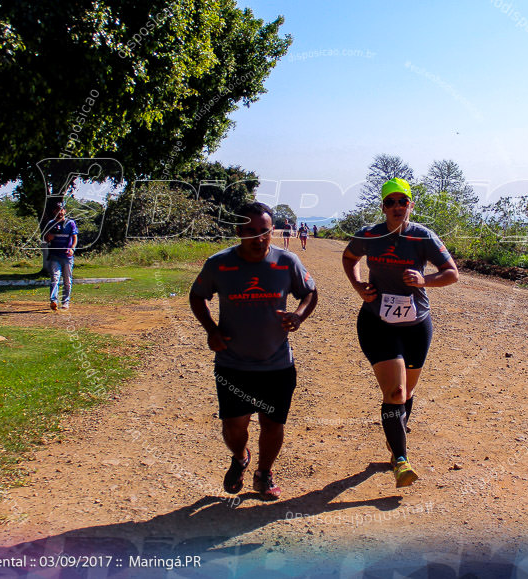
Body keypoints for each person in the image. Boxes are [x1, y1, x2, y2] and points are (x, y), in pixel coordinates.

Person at [189, 202, 318, 500]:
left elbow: (310, 292)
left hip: (277, 365)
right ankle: (239, 457)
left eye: (264, 231)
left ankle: (264, 473)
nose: (259, 238)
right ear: (238, 232)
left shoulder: (287, 261)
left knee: (272, 423)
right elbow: (198, 297)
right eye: (251, 232)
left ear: (272, 231)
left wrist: (298, 315)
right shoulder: (218, 264)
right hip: (233, 364)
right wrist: (212, 330)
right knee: (235, 426)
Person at [341, 178, 459, 487]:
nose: (396, 207)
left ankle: (395, 445)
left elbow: (451, 273)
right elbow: (349, 257)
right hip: (376, 322)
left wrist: (424, 280)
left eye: (402, 201)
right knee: (394, 392)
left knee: (406, 393)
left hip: (417, 325)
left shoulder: (423, 237)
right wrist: (357, 285)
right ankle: (402, 460)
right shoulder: (369, 235)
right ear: (383, 207)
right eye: (390, 202)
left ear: (410, 205)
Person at [44, 202, 78, 310]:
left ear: (64, 211)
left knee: (67, 280)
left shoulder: (70, 223)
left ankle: (65, 302)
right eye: (57, 209)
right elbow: (46, 237)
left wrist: (72, 248)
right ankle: (53, 300)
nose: (60, 212)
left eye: (61, 209)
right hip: (55, 255)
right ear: (54, 211)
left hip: (67, 256)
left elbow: (74, 237)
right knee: (55, 278)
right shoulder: (51, 223)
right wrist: (49, 237)